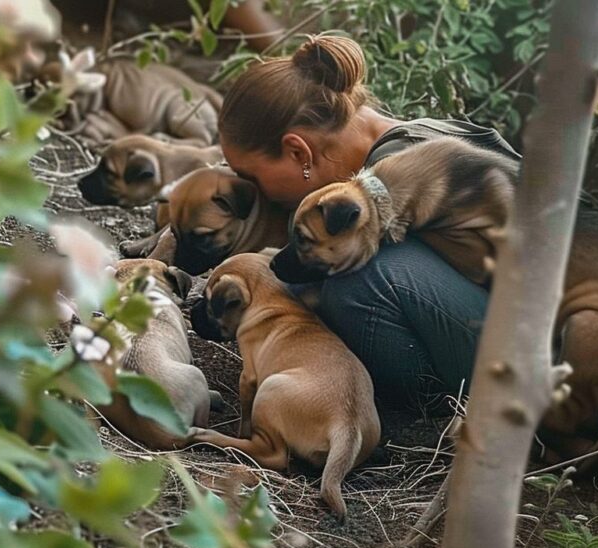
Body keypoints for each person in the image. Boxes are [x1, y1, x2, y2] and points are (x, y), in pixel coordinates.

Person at [217, 35, 522, 411]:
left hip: (546, 364)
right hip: (521, 327)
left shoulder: (401, 187)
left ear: (299, 152)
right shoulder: (413, 141)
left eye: (250, 176)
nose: (253, 193)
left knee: (354, 277)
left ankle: (418, 415)